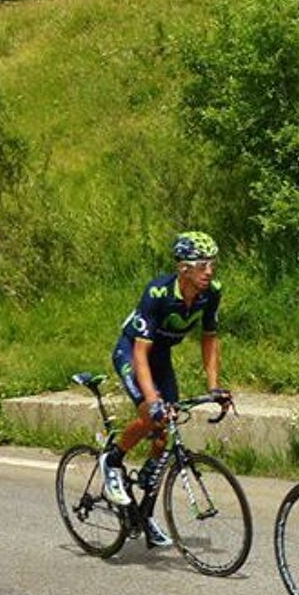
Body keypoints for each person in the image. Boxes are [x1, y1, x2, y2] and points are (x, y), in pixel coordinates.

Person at [99, 232, 231, 547]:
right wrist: (152, 399)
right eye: (202, 265)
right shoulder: (157, 292)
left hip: (161, 356)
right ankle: (112, 460)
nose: (209, 271)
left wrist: (214, 386)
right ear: (183, 268)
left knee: (164, 432)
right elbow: (140, 354)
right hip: (132, 352)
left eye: (212, 264)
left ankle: (143, 514)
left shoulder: (211, 293)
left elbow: (209, 338)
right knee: (152, 414)